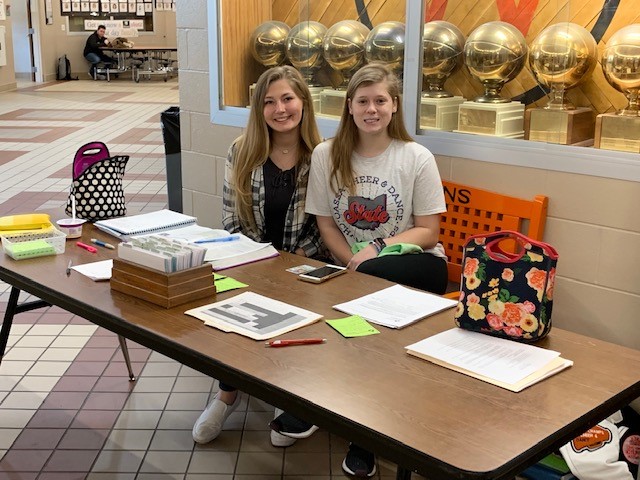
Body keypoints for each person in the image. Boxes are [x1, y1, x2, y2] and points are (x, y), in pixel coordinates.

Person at [303, 63, 449, 477]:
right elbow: (326, 224)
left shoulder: (415, 157)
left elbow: (428, 230)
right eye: (363, 101)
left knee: (366, 297)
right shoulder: (326, 155)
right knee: (350, 312)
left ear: (394, 105)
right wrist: (352, 264)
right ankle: (325, 410)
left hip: (419, 266)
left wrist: (377, 250)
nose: (372, 109)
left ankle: (360, 434)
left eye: (380, 101)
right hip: (355, 273)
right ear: (349, 106)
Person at [192, 65, 323, 448]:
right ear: (258, 108)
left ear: (303, 103)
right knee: (231, 316)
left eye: (287, 99)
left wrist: (297, 257)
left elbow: (327, 222)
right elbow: (230, 217)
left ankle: (297, 401)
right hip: (251, 259)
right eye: (269, 102)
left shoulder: (323, 154)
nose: (280, 109)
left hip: (304, 264)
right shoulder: (241, 149)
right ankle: (227, 396)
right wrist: (258, 260)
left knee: (302, 323)